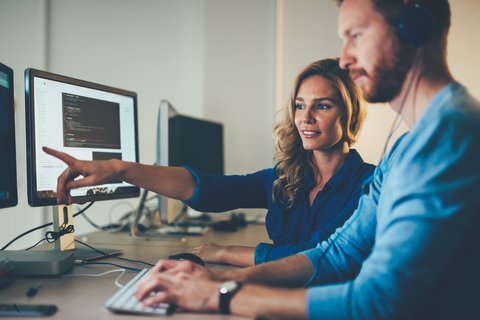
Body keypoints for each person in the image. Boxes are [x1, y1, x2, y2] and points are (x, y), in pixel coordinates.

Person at [131, 0, 480, 319]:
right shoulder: (407, 146)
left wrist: (220, 295)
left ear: (414, 28)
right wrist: (218, 279)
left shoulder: (450, 137)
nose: (344, 58)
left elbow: (379, 301)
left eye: (355, 35)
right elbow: (339, 252)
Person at [44, 58, 374, 267]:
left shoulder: (369, 186)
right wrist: (120, 169)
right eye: (300, 106)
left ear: (349, 113)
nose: (306, 118)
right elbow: (208, 189)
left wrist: (223, 252)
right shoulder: (285, 179)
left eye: (323, 106)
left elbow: (319, 256)